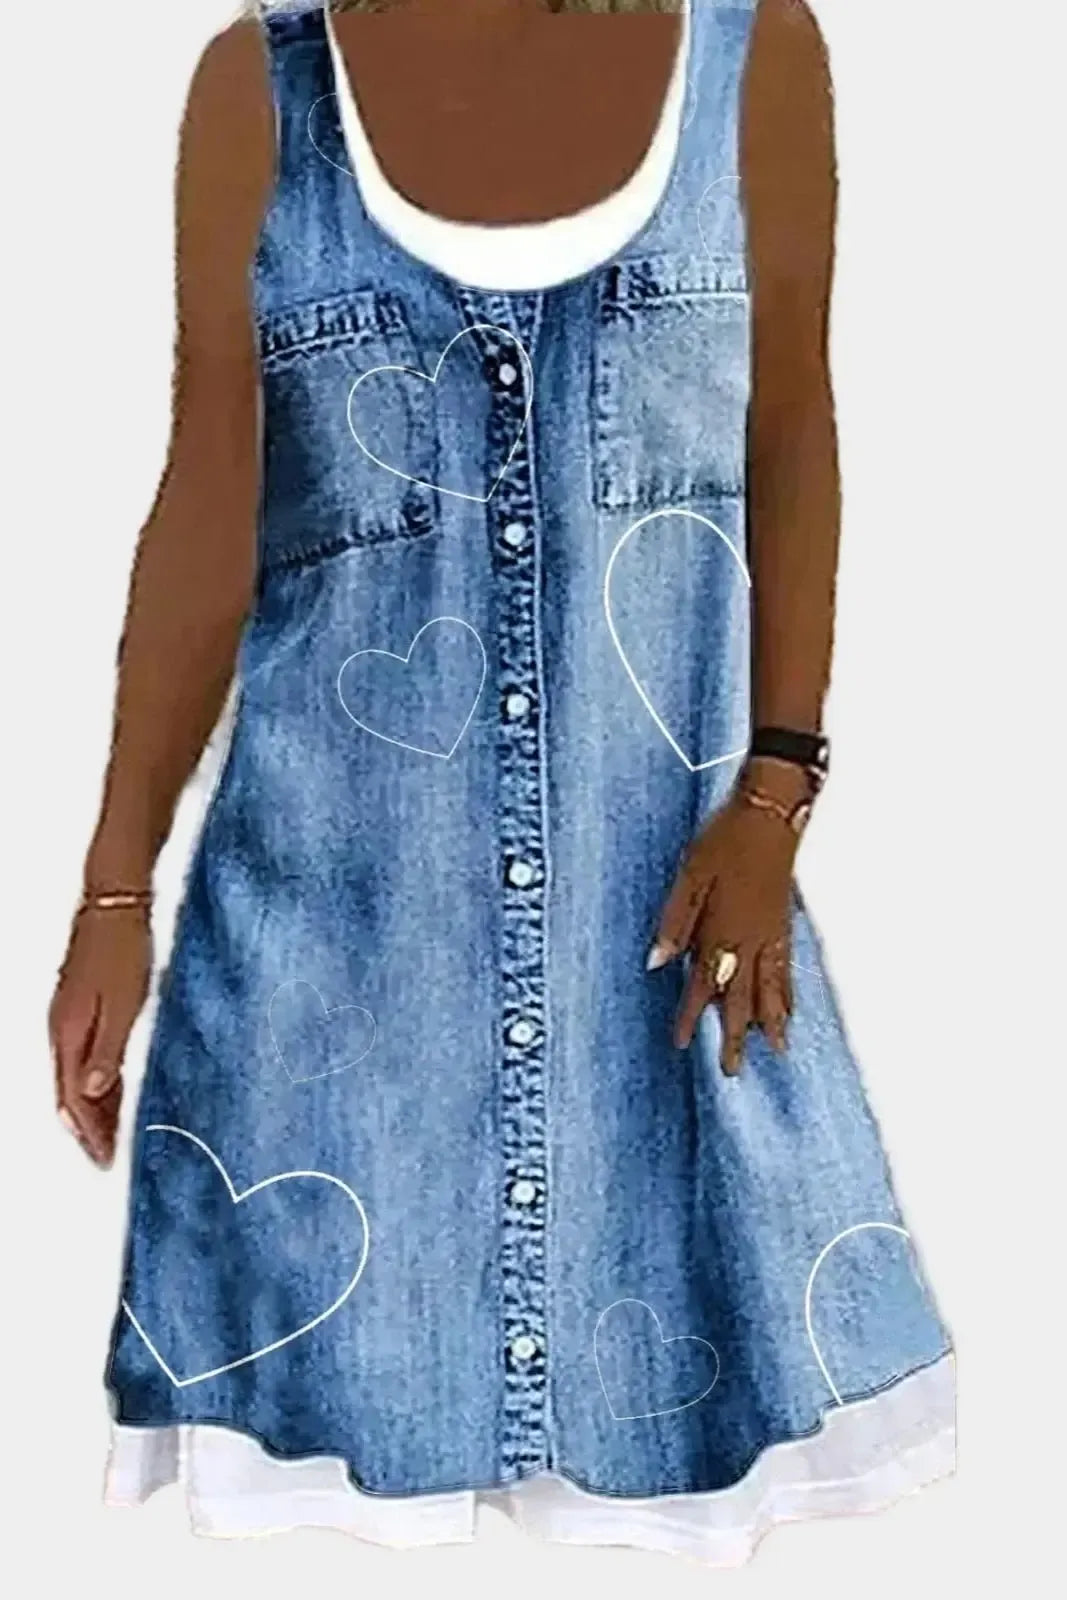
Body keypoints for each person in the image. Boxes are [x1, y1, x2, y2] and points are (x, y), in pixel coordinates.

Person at [49, 0, 955, 1564]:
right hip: (323, 983)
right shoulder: (259, 92)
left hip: (658, 950)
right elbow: (208, 495)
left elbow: (792, 424)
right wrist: (114, 888)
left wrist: (777, 789)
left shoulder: (751, 58)